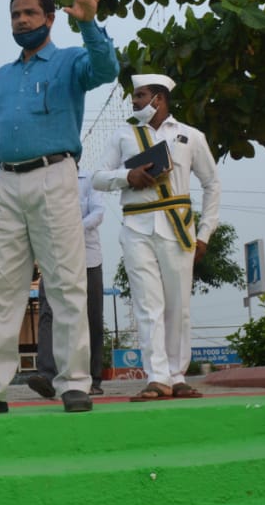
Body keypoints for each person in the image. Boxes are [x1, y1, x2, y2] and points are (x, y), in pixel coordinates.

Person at [0, 0, 117, 417]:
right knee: (2, 289)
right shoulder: (2, 76)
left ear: (49, 18)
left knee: (65, 283)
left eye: (30, 13)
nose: (22, 20)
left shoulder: (70, 61)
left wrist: (89, 23)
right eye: (15, 14)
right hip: (7, 182)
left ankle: (75, 383)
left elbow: (107, 70)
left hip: (54, 175)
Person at [92, 73, 221, 401]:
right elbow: (97, 177)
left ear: (159, 99)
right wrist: (127, 176)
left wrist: (205, 232)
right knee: (147, 304)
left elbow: (212, 184)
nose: (134, 101)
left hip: (178, 227)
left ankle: (178, 376)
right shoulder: (123, 135)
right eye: (134, 96)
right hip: (136, 226)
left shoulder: (190, 136)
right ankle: (157, 377)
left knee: (179, 304)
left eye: (140, 95)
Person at [28, 172, 106, 399]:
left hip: (87, 258)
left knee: (91, 316)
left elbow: (98, 213)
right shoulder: (43, 180)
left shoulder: (90, 180)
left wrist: (70, 231)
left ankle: (92, 377)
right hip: (53, 258)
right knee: (47, 314)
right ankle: (47, 375)